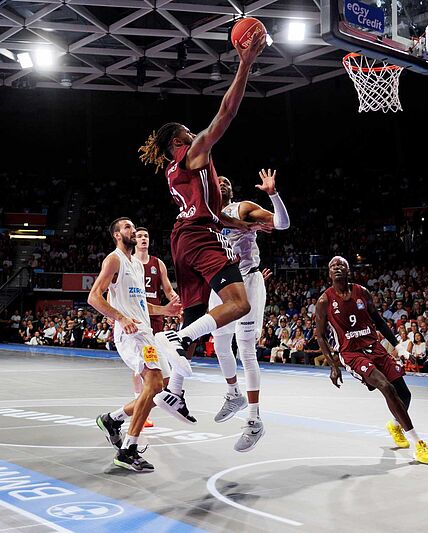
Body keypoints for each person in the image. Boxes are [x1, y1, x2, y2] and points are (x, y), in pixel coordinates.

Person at [137, 30, 268, 422]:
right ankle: (176, 338)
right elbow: (226, 113)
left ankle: (175, 392)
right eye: (188, 132)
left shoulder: (172, 171)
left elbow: (210, 210)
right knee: (239, 304)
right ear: (179, 141)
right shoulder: (192, 154)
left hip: (183, 238)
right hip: (198, 237)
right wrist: (245, 64)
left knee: (195, 318)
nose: (195, 134)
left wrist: (243, 223)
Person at [315, 256, 428, 465]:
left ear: (348, 270)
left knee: (405, 394)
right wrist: (333, 366)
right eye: (333, 265)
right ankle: (419, 444)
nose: (337, 267)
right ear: (329, 273)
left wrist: (398, 346)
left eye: (341, 264)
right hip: (352, 353)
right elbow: (320, 336)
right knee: (385, 386)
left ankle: (394, 425)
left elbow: (379, 322)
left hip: (375, 347)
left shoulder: (362, 292)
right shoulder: (324, 301)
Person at [90, 217, 182, 472]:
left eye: (133, 226)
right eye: (127, 227)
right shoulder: (114, 259)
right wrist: (120, 317)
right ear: (117, 235)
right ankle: (128, 450)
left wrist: (165, 310)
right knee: (152, 384)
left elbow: (141, 303)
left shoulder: (137, 266)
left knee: (161, 388)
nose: (133, 230)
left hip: (146, 334)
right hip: (131, 335)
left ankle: (113, 419)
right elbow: (94, 297)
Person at [208, 169, 290, 452]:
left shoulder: (241, 208)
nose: (223, 183)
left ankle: (254, 420)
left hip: (248, 280)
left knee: (245, 349)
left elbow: (282, 224)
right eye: (218, 181)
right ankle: (234, 394)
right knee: (219, 342)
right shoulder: (206, 216)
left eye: (227, 181)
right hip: (221, 283)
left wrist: (273, 195)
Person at [133, 226, 178, 428]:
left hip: (156, 318)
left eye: (146, 236)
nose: (143, 239)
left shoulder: (157, 263)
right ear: (134, 240)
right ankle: (138, 406)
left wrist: (176, 300)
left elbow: (168, 289)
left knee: (158, 367)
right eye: (139, 236)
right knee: (142, 365)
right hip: (138, 319)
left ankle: (142, 405)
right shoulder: (128, 262)